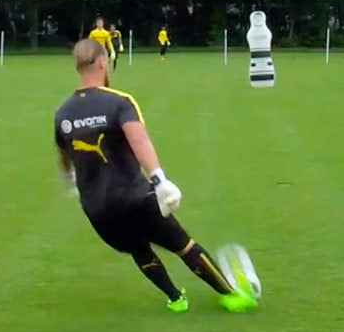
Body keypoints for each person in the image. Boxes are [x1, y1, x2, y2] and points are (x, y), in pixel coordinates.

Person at [54, 39, 257, 313]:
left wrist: (69, 179)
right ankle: (232, 295)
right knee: (183, 245)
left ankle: (175, 298)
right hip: (133, 196)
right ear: (103, 62)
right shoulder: (120, 101)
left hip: (96, 207)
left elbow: (64, 153)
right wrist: (160, 180)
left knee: (139, 250)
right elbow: (139, 141)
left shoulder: (63, 112)